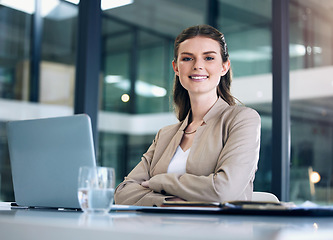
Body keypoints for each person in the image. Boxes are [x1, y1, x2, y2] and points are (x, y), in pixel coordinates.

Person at [114, 24, 261, 206]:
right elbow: (123, 192)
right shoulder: (164, 135)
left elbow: (224, 191)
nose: (198, 66)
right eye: (187, 58)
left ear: (224, 67)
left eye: (208, 58)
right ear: (176, 68)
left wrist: (160, 181)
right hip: (161, 231)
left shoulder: (242, 119)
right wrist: (169, 201)